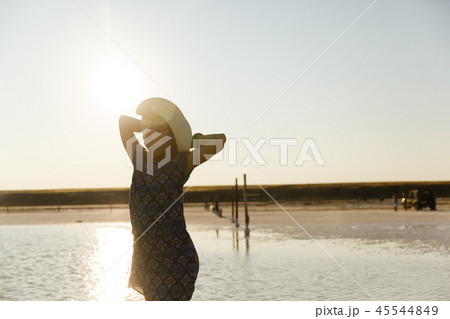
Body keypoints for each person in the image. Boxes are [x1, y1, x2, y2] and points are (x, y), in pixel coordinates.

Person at [119, 97, 226, 301]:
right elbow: (123, 121)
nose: (151, 136)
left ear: (171, 137)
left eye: (159, 132)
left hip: (175, 256)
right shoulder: (140, 158)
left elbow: (220, 140)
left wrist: (189, 140)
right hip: (146, 254)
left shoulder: (180, 163)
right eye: (148, 132)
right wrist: (148, 125)